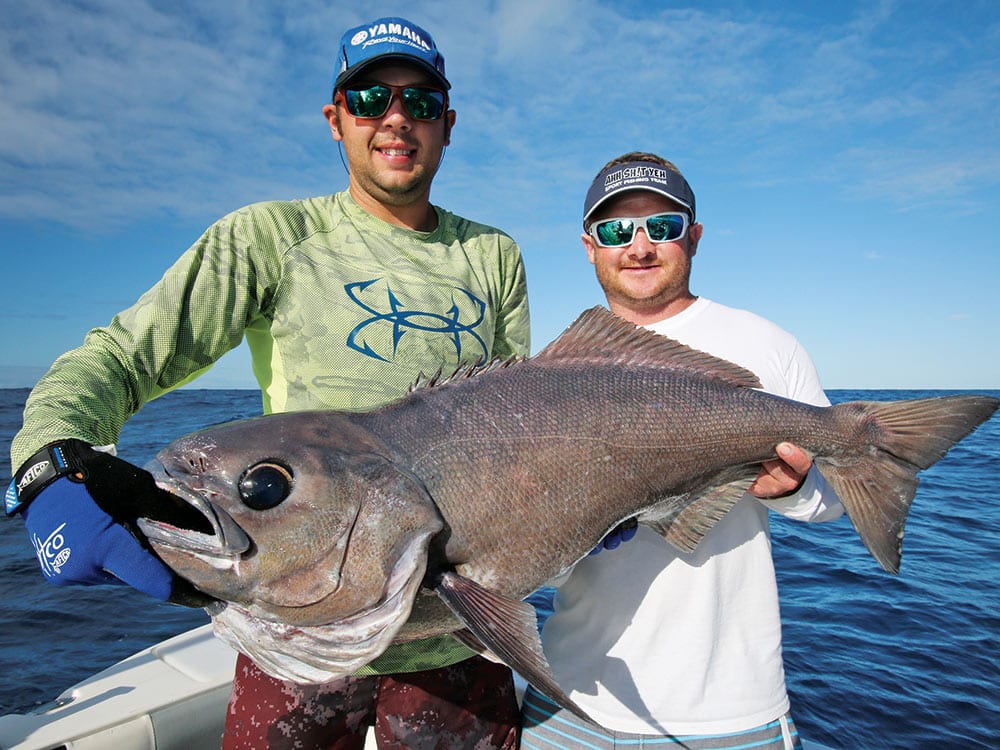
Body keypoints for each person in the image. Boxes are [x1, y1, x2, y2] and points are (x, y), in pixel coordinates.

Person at [6, 16, 529, 749]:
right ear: (336, 119)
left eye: (420, 101)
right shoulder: (268, 239)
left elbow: (517, 424)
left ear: (447, 123)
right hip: (295, 642)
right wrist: (48, 462)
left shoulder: (492, 255)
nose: (396, 118)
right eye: (372, 97)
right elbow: (119, 358)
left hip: (457, 634)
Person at [520, 152, 842, 750]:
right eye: (617, 231)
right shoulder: (546, 378)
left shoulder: (769, 345)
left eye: (661, 227)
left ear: (692, 236)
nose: (639, 246)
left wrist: (795, 491)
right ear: (590, 246)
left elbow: (833, 502)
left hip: (731, 715)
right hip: (569, 703)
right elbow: (545, 559)